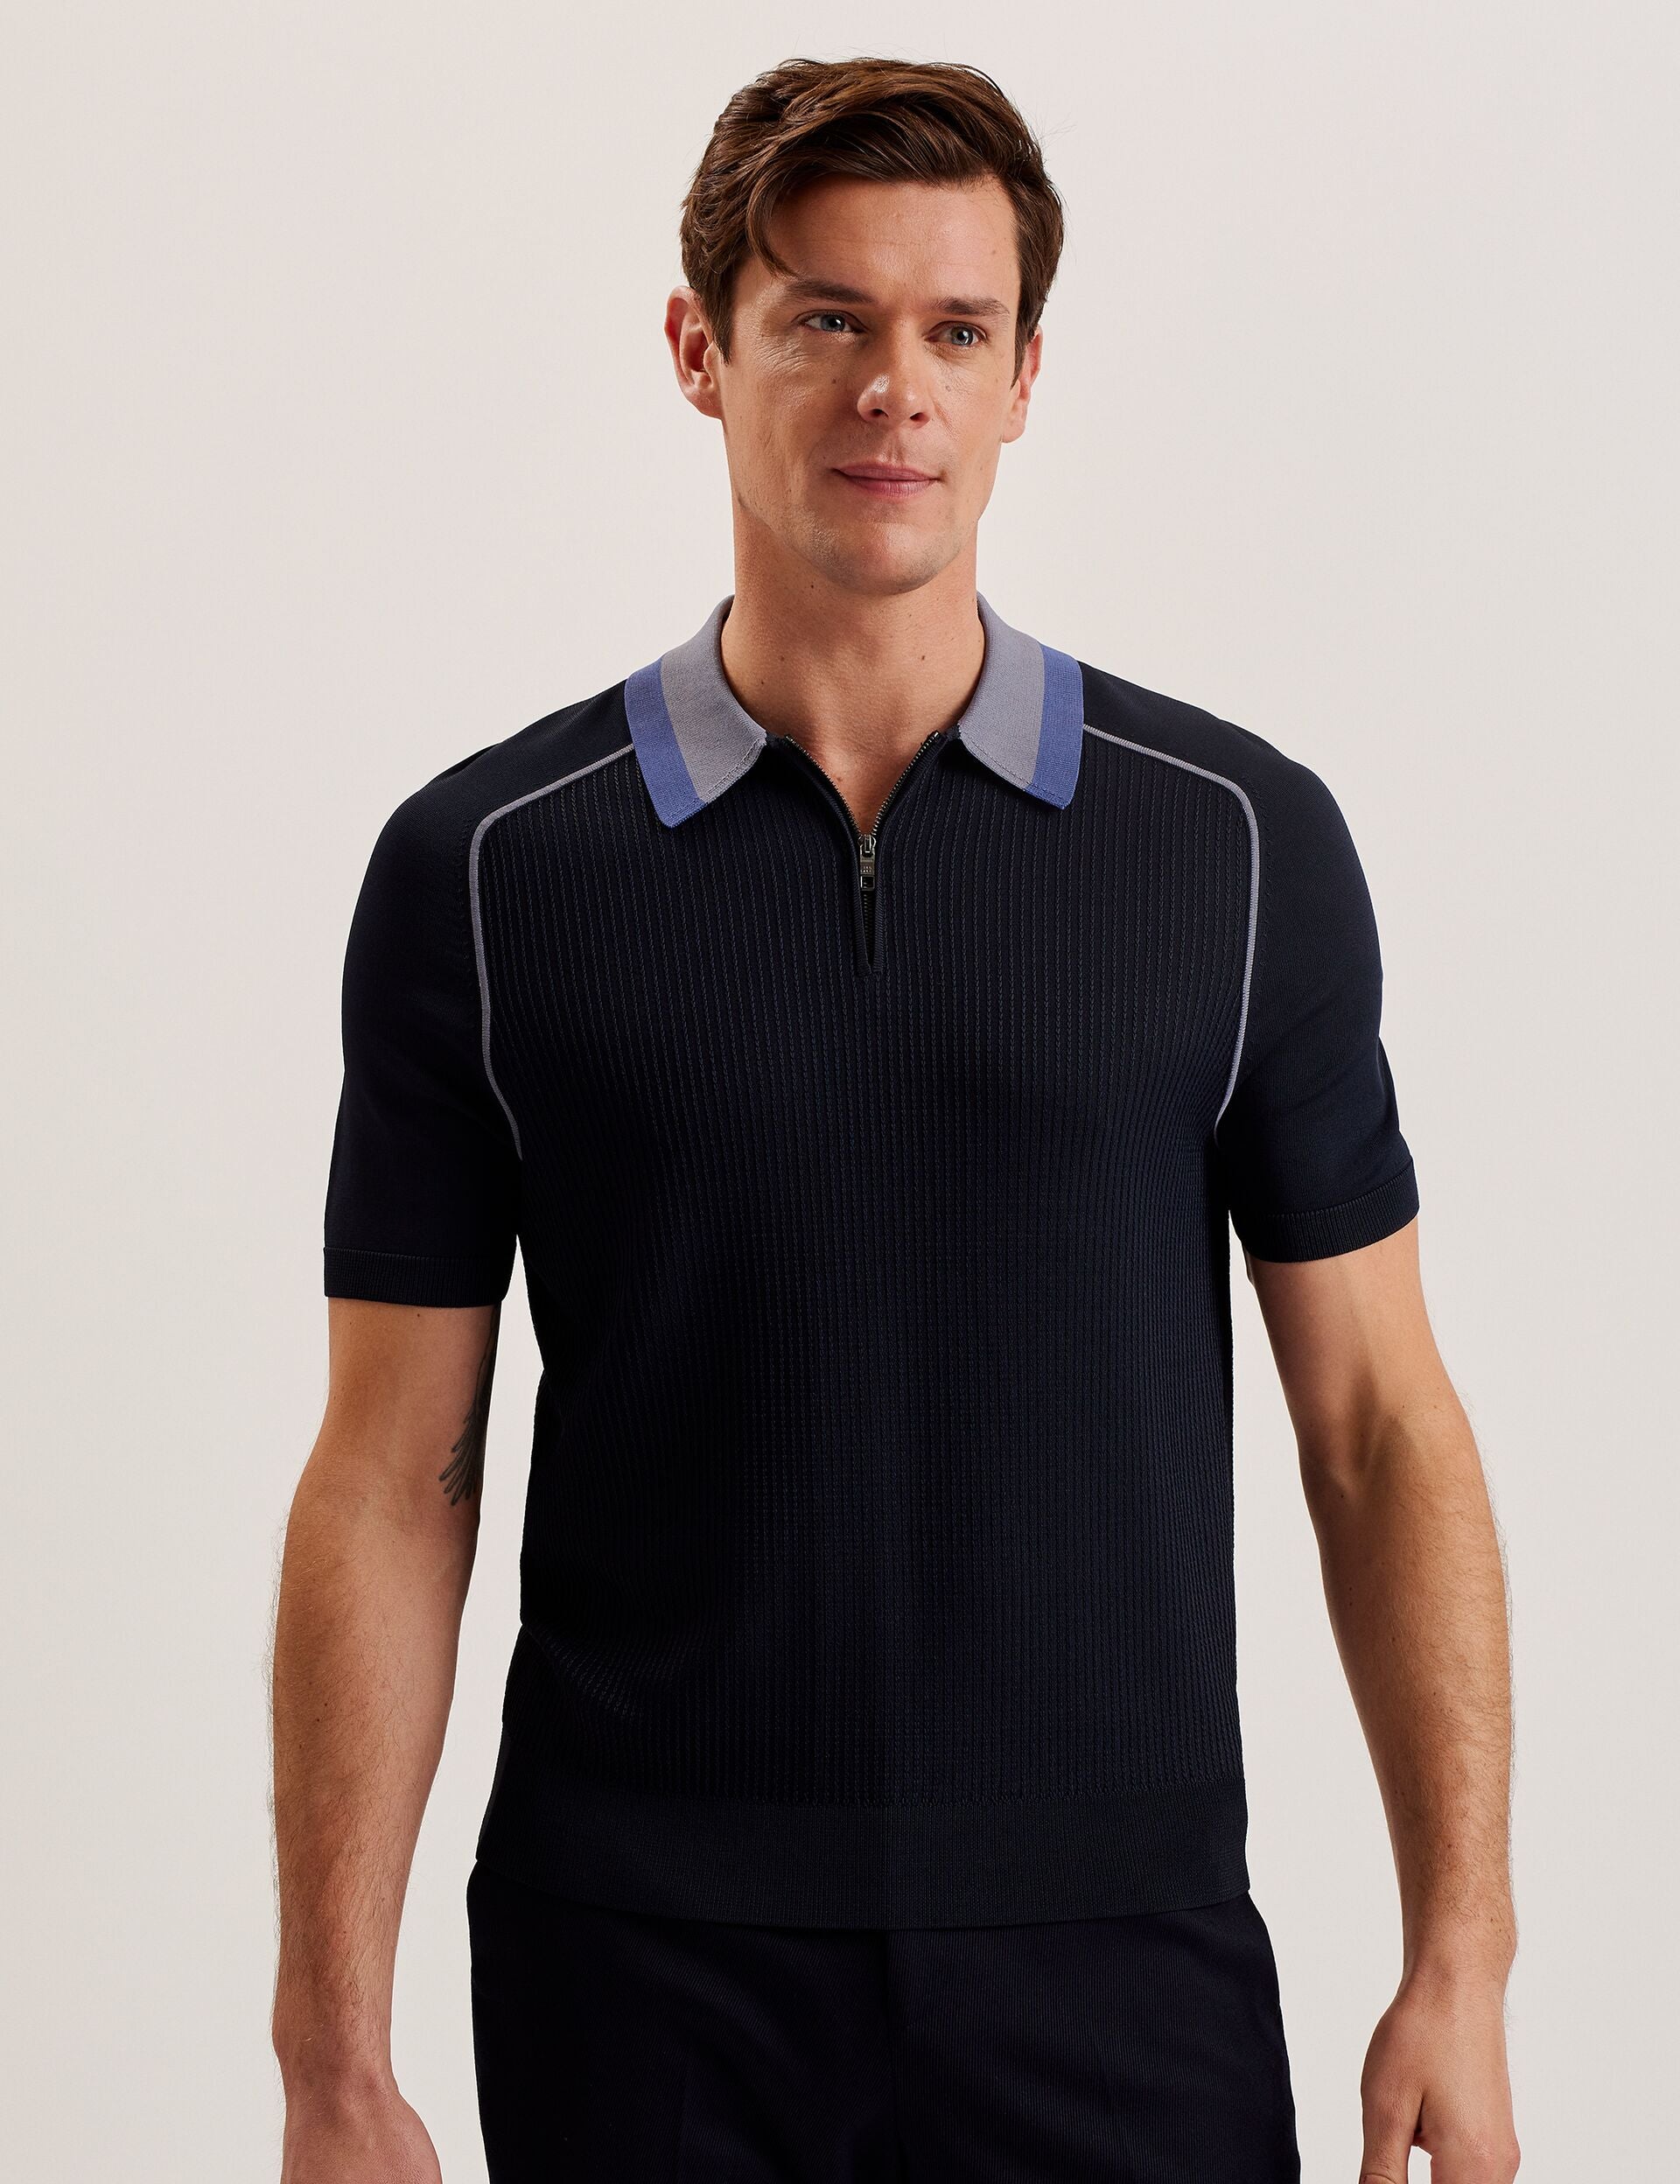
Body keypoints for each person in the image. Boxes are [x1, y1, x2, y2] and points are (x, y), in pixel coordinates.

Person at [270, 53, 1519, 2184]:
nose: (893, 393)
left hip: (1117, 1960)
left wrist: (1462, 1956)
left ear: (1027, 378)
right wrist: (332, 2054)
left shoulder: (1233, 846)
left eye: (955, 331)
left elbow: (1382, 1426)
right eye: (827, 320)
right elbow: (394, 1475)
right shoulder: (490, 869)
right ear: (702, 351)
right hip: (638, 1976)